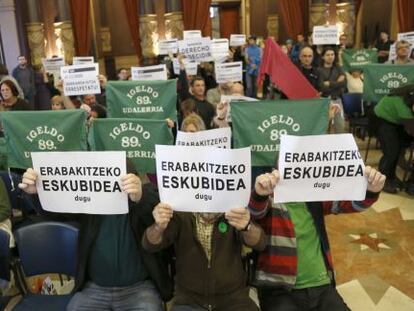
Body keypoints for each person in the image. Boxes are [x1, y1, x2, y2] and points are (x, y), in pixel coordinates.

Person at [18, 168, 173, 310]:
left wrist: (140, 196)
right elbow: (57, 212)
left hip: (139, 289)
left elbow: (158, 207)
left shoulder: (143, 197)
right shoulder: (90, 203)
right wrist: (36, 193)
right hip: (95, 288)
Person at [248, 166, 386, 311]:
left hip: (322, 285)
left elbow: (349, 204)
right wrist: (259, 194)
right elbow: (255, 212)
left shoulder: (314, 194)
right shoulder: (269, 197)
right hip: (279, 289)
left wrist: (371, 190)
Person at [143, 197, 265, 311]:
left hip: (233, 299)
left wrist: (247, 226)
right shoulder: (180, 211)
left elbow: (260, 242)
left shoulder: (233, 209)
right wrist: (158, 227)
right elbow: (150, 244)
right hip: (189, 301)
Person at [374, 84, 414, 194]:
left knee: (397, 149)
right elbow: (411, 128)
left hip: (395, 122)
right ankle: (382, 181)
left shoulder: (408, 98)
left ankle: (391, 177)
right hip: (382, 121)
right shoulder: (401, 103)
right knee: (391, 152)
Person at [318, 47, 347, 133]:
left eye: (332, 54)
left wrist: (330, 83)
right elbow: (322, 87)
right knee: (324, 128)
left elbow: (344, 83)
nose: (330, 57)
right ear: (323, 57)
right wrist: (337, 82)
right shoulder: (319, 70)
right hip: (324, 101)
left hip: (337, 100)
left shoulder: (338, 67)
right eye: (327, 55)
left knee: (340, 126)